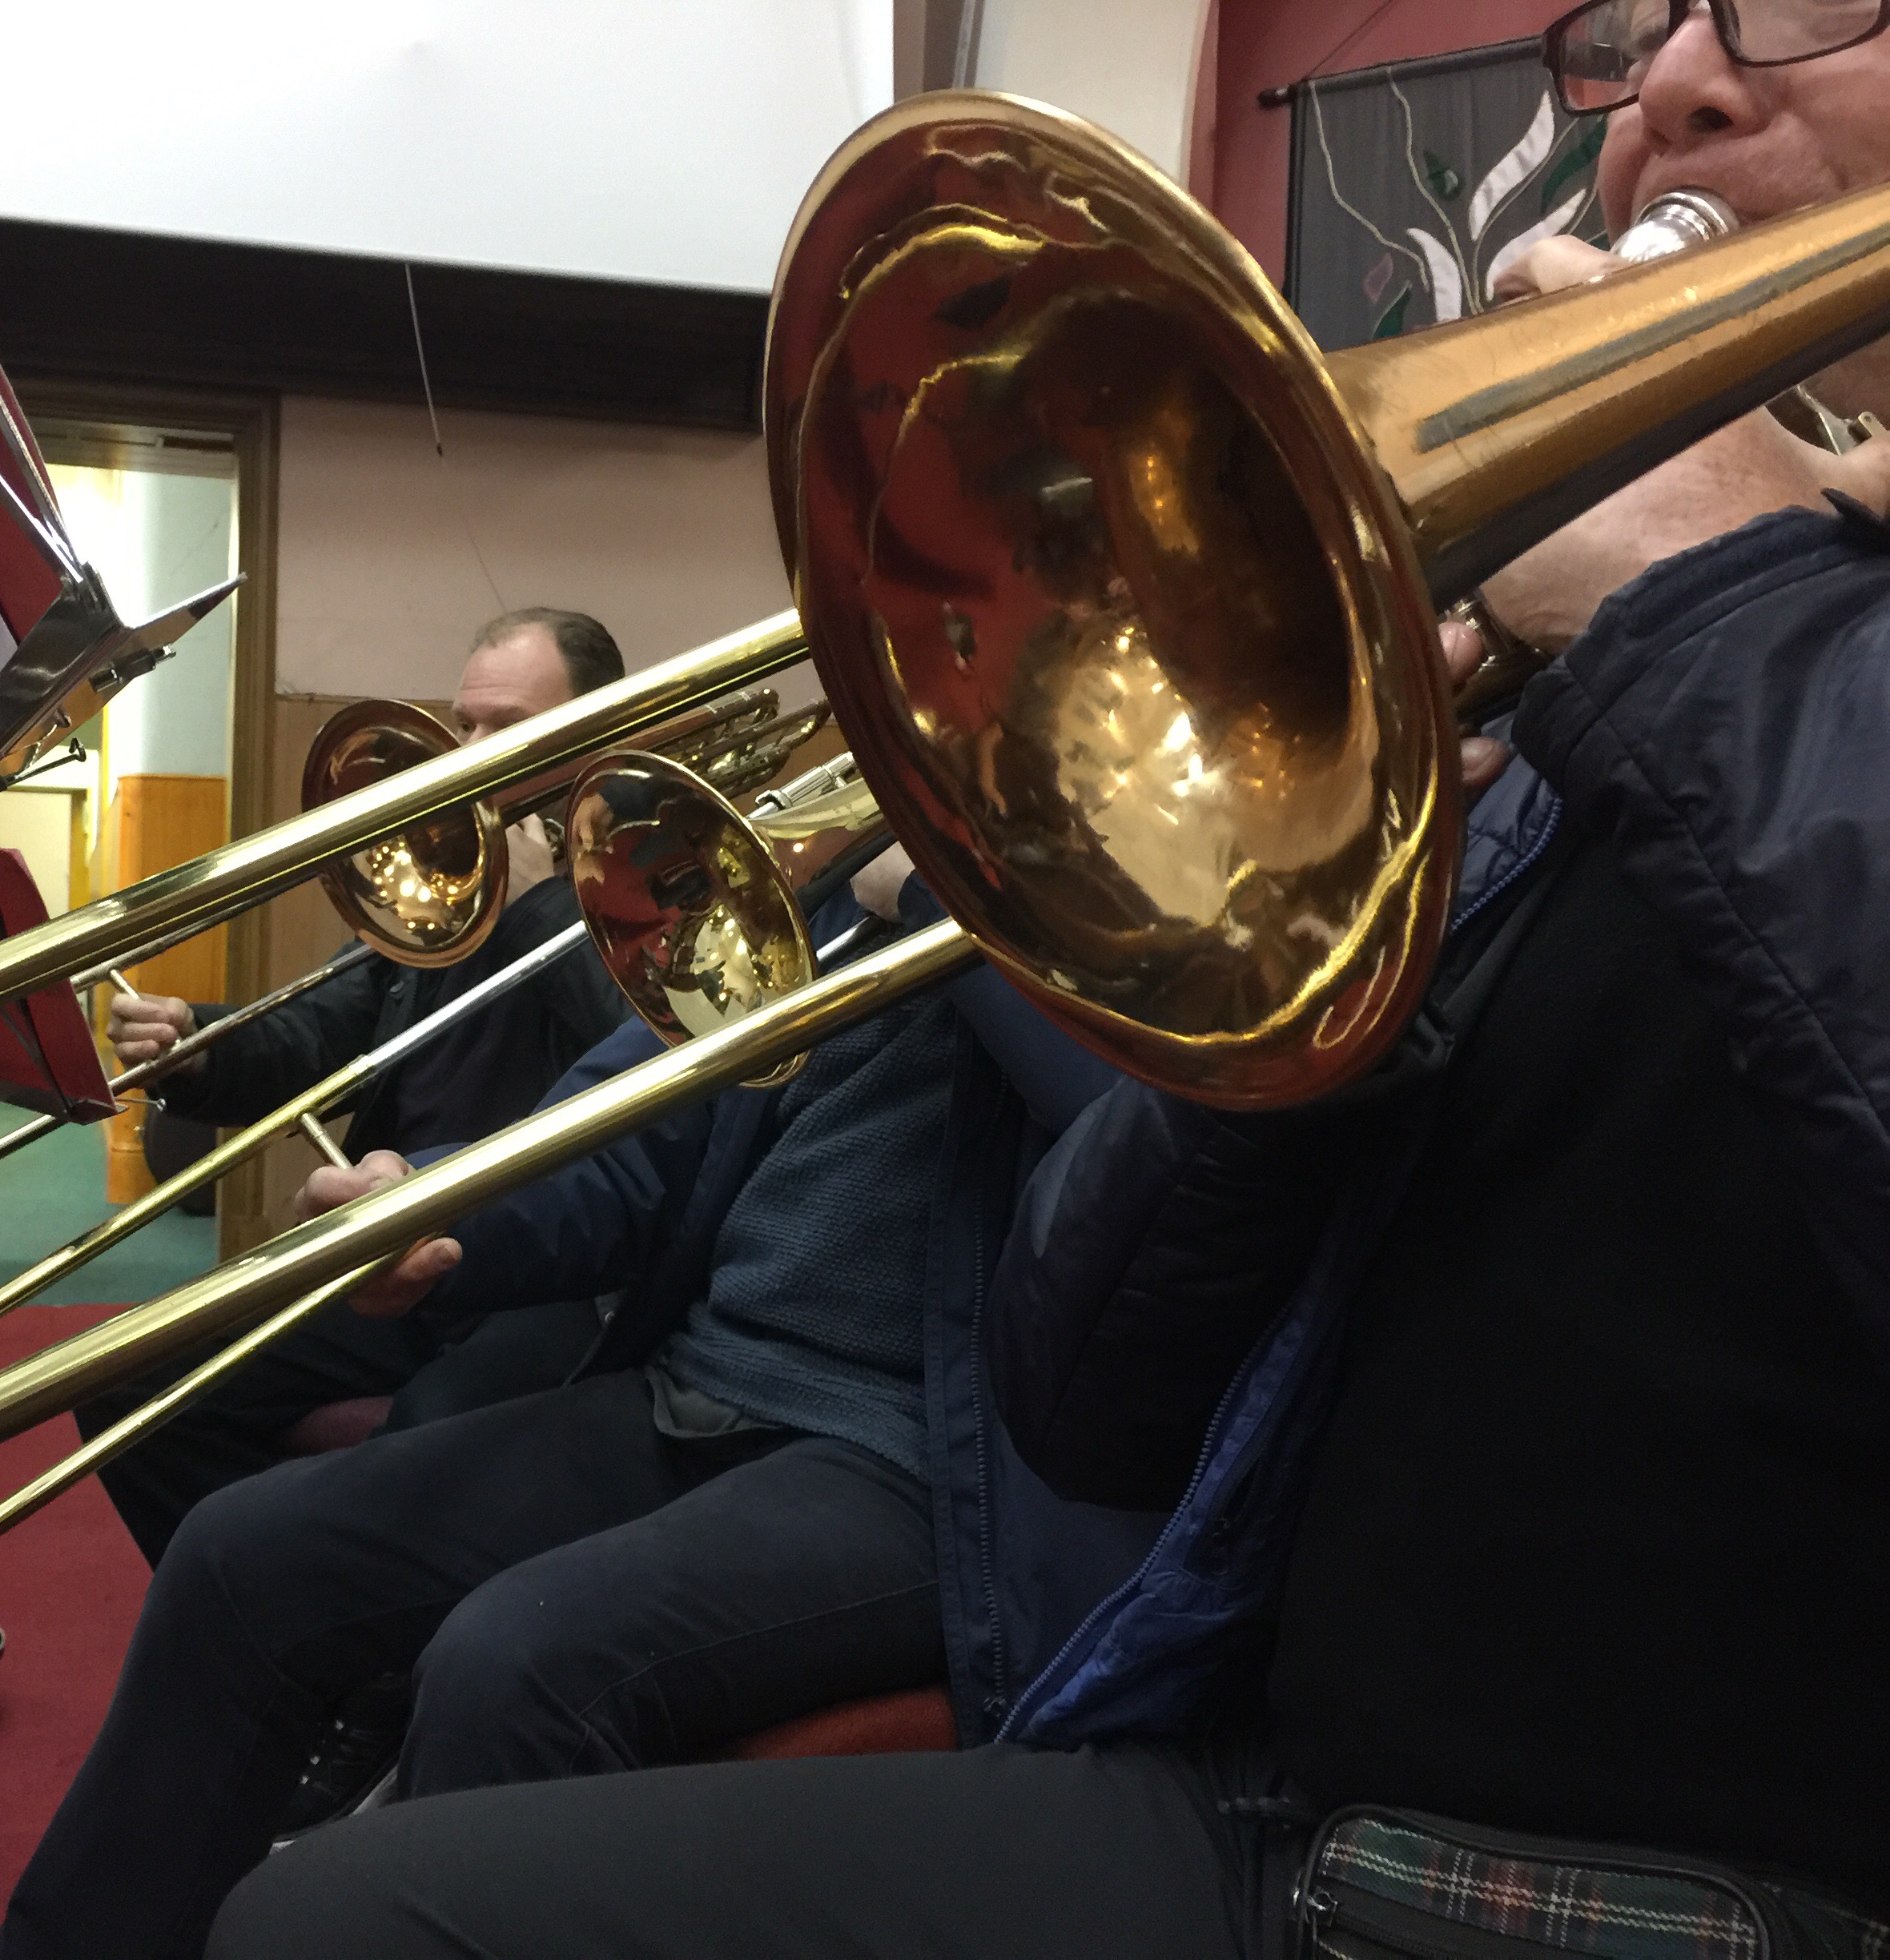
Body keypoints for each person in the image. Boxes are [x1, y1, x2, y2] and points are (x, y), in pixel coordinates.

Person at [205, 10, 1890, 1958]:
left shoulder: (1716, 667)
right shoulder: (1594, 732)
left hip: (1681, 1888)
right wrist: (1317, 943)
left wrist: (1702, 609)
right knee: (344, 1912)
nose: (1673, 81)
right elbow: (1089, 1395)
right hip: (1289, 1794)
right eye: (1643, 18)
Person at [0, 847, 1137, 1960]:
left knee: (512, 1665)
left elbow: (1144, 1139)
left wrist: (950, 904)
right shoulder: (834, 895)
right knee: (237, 1556)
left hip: (931, 1462)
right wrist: (436, 1203)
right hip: (705, 1392)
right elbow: (629, 1144)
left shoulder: (1131, 905)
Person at [74, 608, 633, 1569]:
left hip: (552, 1276)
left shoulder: (649, 881)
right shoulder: (442, 888)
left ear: (597, 740)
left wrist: (548, 904)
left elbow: (651, 1050)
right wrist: (198, 1046)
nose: (469, 755)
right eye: (464, 724)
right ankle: (261, 1616)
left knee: (414, 1457)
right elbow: (319, 1034)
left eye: (509, 729)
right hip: (396, 1248)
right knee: (130, 1384)